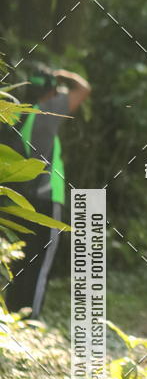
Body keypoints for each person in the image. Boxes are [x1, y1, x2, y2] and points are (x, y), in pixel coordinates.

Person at [3, 63, 91, 318]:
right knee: (40, 263)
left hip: (19, 197)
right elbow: (84, 89)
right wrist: (64, 74)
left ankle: (12, 316)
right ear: (52, 91)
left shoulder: (18, 115)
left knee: (19, 259)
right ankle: (32, 318)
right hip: (47, 199)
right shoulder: (49, 111)